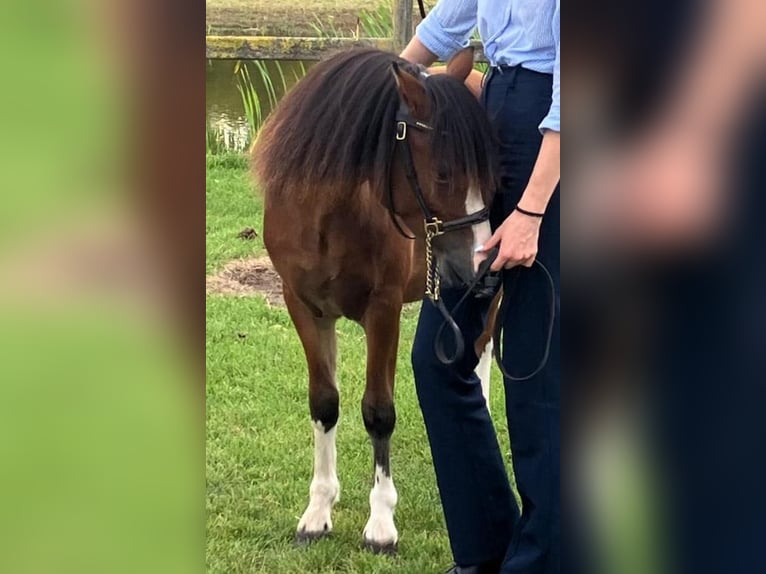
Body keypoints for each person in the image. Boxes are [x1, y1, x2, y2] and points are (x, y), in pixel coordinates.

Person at [401, 1, 560, 573]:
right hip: (488, 115)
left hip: (554, 138)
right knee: (436, 355)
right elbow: (444, 27)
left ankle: (542, 561)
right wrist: (384, 86)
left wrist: (532, 211)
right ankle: (487, 551)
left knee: (537, 372)